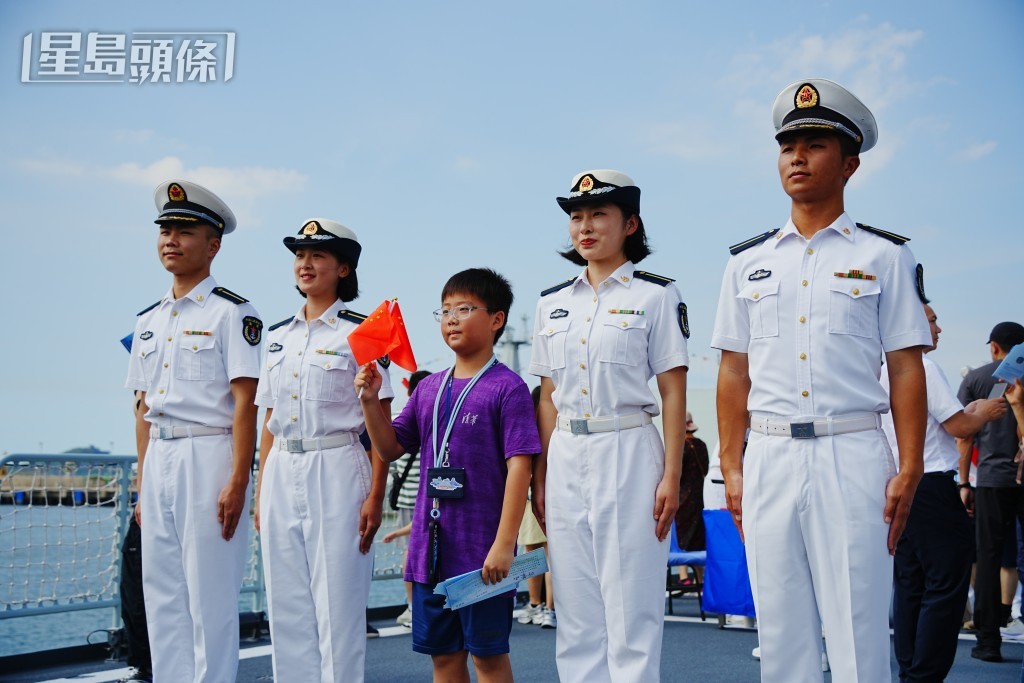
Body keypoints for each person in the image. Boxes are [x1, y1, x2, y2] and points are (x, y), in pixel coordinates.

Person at [711, 79, 931, 683]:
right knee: (780, 638)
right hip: (772, 455)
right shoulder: (746, 264)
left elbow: (906, 366)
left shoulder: (887, 257)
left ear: (850, 163)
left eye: (814, 144)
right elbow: (734, 370)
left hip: (853, 450)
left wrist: (909, 467)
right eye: (788, 147)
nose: (797, 157)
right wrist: (733, 465)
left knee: (859, 631)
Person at [530, 169, 689, 683]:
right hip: (567, 456)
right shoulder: (551, 303)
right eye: (577, 217)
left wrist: (671, 475)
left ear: (630, 224)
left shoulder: (656, 295)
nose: (585, 226)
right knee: (576, 613)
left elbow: (672, 389)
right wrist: (541, 474)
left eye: (599, 214)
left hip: (630, 448)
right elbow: (549, 395)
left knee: (631, 613)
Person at [356, 267, 539, 683]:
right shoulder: (428, 388)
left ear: (497, 320)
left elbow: (520, 468)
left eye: (464, 308)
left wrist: (504, 545)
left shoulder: (507, 388)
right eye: (445, 310)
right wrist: (370, 402)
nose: (452, 318)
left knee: (488, 659)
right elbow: (389, 447)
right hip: (429, 551)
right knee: (443, 658)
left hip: (482, 554)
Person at [125, 180, 262, 683]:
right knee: (162, 595)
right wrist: (142, 482)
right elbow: (142, 408)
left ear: (214, 244)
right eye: (165, 230)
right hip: (159, 459)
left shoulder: (232, 312)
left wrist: (238, 479)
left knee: (210, 597)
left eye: (185, 230)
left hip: (209, 454)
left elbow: (247, 402)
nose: (171, 239)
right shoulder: (147, 321)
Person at [253, 219, 392, 682]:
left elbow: (380, 428)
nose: (305, 264)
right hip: (280, 468)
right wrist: (260, 491)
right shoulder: (276, 336)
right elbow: (268, 421)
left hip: (337, 463)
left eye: (318, 257)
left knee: (338, 607)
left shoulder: (363, 333)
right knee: (287, 606)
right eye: (299, 256)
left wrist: (375, 495)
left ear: (344, 269)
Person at [880, 299, 1008, 681]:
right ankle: (924, 675)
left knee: (909, 587)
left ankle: (910, 671)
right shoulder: (922, 367)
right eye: (932, 321)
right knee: (944, 587)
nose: (938, 329)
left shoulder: (877, 368)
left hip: (896, 486)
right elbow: (959, 427)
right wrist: (983, 412)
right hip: (932, 485)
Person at [957, 320, 1024, 662]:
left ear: (995, 347)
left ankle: (987, 642)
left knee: (987, 558)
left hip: (992, 481)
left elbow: (962, 435)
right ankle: (1009, 618)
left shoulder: (977, 378)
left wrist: (964, 481)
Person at [392, 369, 432, 628]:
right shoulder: (429, 414)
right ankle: (425, 605)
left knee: (410, 552)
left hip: (407, 498)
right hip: (430, 496)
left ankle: (412, 607)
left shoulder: (401, 418)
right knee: (428, 550)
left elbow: (393, 460)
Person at [517, 385, 556, 629]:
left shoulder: (529, 427)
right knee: (554, 559)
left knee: (532, 555)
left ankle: (534, 604)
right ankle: (551, 609)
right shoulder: (560, 428)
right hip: (557, 497)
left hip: (532, 497)